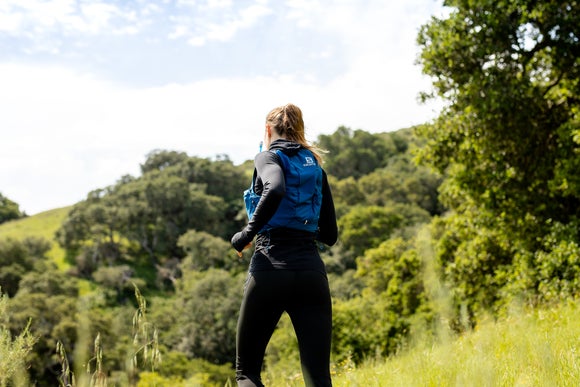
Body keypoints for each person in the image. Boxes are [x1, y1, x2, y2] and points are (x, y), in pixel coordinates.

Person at [231, 103, 338, 387]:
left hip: (270, 267)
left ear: (268, 129)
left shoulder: (267, 157)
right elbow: (330, 235)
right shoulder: (315, 167)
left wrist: (246, 234)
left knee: (247, 373)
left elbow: (275, 187)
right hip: (311, 273)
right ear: (300, 130)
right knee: (318, 376)